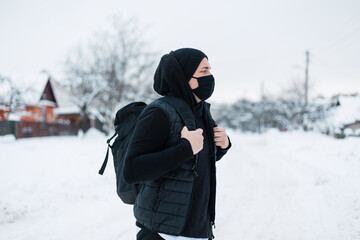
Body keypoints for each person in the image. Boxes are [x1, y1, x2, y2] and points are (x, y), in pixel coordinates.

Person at [123, 48, 232, 240]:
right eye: (203, 71)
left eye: (210, 70)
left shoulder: (201, 112)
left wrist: (222, 146)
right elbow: (132, 170)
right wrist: (185, 148)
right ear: (183, 77)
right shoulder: (158, 112)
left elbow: (197, 161)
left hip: (197, 230)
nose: (210, 76)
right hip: (163, 232)